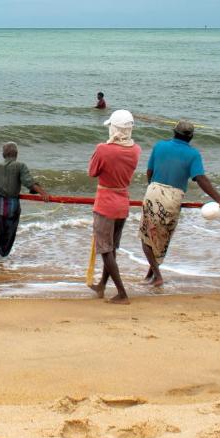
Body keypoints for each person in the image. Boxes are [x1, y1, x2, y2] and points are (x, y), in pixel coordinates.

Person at [139, 120, 220, 287]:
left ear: (174, 132)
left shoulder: (159, 146)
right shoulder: (193, 154)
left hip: (154, 191)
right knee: (163, 237)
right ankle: (151, 274)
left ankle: (157, 276)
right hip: (174, 197)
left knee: (147, 237)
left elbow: (149, 171)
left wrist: (152, 188)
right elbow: (201, 179)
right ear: (191, 137)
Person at [87, 110, 141, 304]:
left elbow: (92, 172)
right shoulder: (136, 150)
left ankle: (122, 293)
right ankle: (102, 284)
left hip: (105, 203)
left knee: (105, 249)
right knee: (111, 248)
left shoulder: (103, 149)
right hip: (122, 202)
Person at [0, 142, 51, 262]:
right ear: (16, 154)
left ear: (3, 154)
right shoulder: (20, 166)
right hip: (12, 205)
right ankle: (2, 257)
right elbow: (29, 182)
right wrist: (43, 193)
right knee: (8, 233)